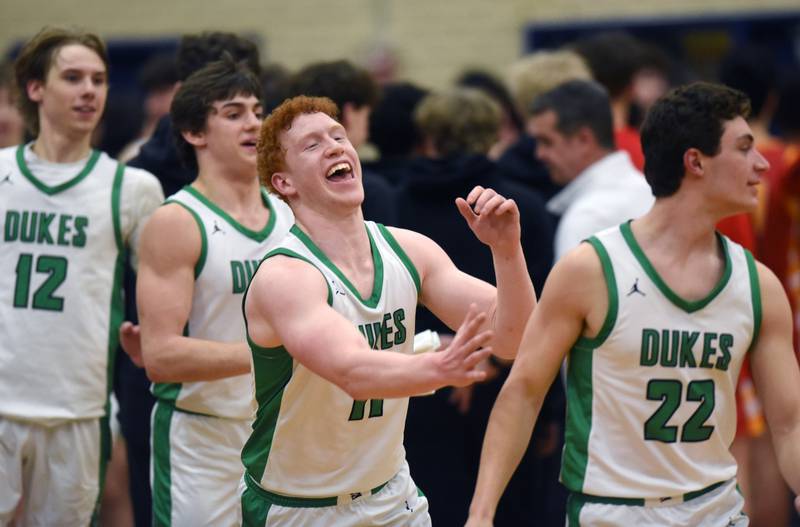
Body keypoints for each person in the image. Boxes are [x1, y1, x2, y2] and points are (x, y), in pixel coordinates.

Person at [466, 82, 800, 526]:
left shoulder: (757, 284)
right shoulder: (592, 268)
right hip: (613, 511)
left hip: (717, 510)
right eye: (743, 149)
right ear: (695, 161)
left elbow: (790, 421)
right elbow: (524, 391)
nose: (761, 164)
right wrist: (481, 513)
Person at [239, 95, 535, 526]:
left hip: (393, 497)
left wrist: (507, 251)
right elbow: (354, 374)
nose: (336, 147)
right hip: (301, 508)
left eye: (339, 136)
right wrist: (441, 367)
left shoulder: (409, 250)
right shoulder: (286, 276)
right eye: (313, 145)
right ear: (284, 183)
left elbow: (513, 337)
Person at [0, 27, 162, 525]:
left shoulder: (131, 188)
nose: (89, 90)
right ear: (35, 88)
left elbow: (169, 297)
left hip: (78, 408)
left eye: (98, 79)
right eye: (72, 78)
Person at [124, 58, 293, 527]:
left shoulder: (290, 212)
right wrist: (278, 353)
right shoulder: (176, 221)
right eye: (234, 112)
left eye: (258, 110)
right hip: (203, 439)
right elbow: (160, 355)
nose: (255, 122)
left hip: (284, 435)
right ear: (195, 132)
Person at [396, 87, 559, 526]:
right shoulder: (519, 205)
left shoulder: (398, 201)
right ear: (492, 134)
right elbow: (547, 313)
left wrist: (448, 354)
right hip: (503, 381)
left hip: (419, 383)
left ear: (429, 135)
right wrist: (550, 411)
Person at [528, 79, 653, 261]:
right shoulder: (649, 192)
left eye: (547, 142)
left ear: (584, 139)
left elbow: (567, 290)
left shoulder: (587, 217)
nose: (539, 154)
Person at [287, 59, 398, 225]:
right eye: (366, 115)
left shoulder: (286, 184)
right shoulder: (372, 190)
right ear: (350, 112)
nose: (367, 128)